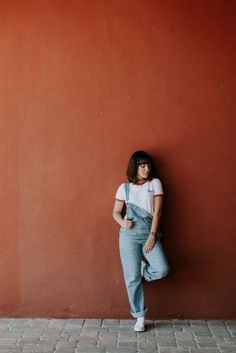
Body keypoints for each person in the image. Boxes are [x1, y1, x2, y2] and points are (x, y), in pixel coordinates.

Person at [113, 151, 169, 332]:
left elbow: (158, 212)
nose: (146, 169)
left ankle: (144, 269)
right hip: (128, 236)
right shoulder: (124, 188)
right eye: (142, 165)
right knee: (131, 278)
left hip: (148, 233)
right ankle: (139, 316)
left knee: (162, 269)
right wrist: (122, 221)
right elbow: (115, 212)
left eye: (148, 165)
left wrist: (152, 235)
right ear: (135, 167)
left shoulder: (155, 184)